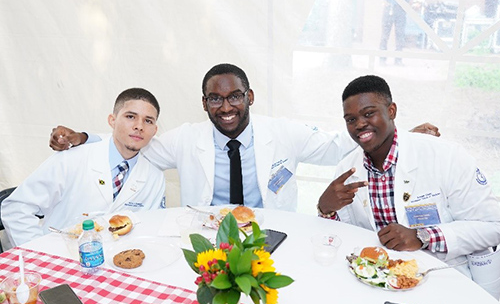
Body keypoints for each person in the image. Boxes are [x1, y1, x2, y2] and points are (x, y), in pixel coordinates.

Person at [49, 64, 438, 212]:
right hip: (208, 236)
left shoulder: (283, 132)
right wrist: (84, 137)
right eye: (215, 99)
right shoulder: (186, 139)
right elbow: (132, 141)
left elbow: (341, 142)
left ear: (249, 97)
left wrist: (398, 135)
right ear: (204, 104)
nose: (226, 107)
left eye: (234, 96)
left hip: (273, 236)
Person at [317, 75, 500, 278]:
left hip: (441, 276)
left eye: (369, 114)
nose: (359, 124)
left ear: (391, 111)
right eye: (351, 120)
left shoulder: (446, 155)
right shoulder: (348, 169)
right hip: (376, 278)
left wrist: (423, 237)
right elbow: (346, 236)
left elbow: (492, 225)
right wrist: (326, 209)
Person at [2, 88, 166, 246]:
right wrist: (40, 254)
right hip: (60, 257)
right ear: (112, 120)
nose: (139, 126)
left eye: (148, 121)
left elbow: (150, 228)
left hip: (117, 264)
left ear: (155, 130)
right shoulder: (71, 159)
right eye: (130, 116)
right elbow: (16, 208)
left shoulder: (155, 178)